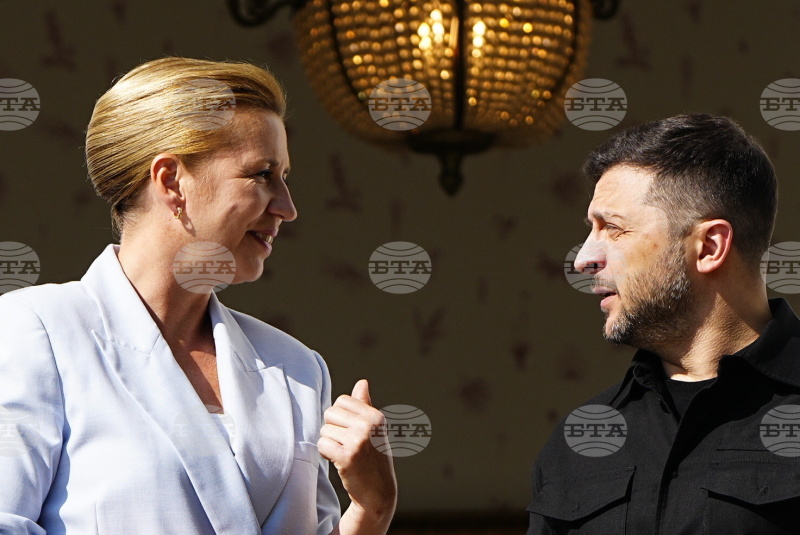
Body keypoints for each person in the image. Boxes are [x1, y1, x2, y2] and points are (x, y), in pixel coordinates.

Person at [0, 57, 396, 534]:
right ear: (171, 181)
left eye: (285, 177)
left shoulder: (296, 368)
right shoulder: (35, 332)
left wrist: (371, 508)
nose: (288, 208)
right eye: (262, 174)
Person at [526, 114, 800, 534]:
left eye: (613, 228)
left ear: (709, 247)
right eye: (591, 229)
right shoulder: (580, 439)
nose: (583, 259)